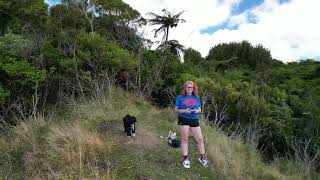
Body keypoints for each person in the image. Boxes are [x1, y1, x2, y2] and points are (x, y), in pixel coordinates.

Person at [175, 80, 208, 169]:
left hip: (194, 119)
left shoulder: (196, 97)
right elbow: (176, 110)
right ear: (185, 88)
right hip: (183, 119)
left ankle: (202, 157)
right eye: (188, 87)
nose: (189, 88)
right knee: (185, 139)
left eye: (191, 87)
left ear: (193, 88)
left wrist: (197, 111)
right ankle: (186, 159)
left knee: (200, 139)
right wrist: (185, 111)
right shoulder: (180, 97)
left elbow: (200, 110)